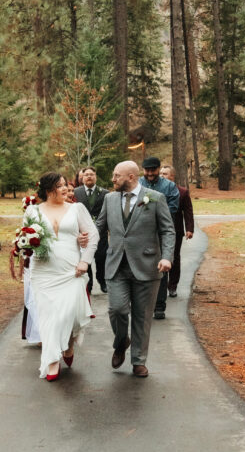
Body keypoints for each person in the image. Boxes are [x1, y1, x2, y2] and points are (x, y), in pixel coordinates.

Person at [95, 160, 174, 378]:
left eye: (116, 175)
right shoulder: (110, 199)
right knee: (117, 309)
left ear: (131, 177)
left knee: (142, 316)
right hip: (116, 264)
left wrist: (167, 257)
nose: (112, 179)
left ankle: (138, 360)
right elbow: (99, 228)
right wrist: (80, 240)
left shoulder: (155, 198)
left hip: (147, 265)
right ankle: (121, 342)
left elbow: (168, 230)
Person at [29, 172, 99, 382]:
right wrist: (25, 245)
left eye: (65, 185)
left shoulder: (76, 209)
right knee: (49, 316)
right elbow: (27, 236)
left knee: (68, 314)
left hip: (71, 270)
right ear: (49, 189)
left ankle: (68, 343)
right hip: (43, 271)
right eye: (60, 186)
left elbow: (93, 235)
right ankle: (51, 361)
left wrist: (85, 260)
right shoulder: (33, 211)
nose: (66, 189)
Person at [140, 156, 179, 320]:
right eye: (147, 170)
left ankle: (159, 306)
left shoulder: (169, 186)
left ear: (158, 169)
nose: (150, 173)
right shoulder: (139, 184)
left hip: (161, 232)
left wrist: (153, 213)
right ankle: (143, 305)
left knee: (160, 269)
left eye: (153, 170)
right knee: (141, 269)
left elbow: (173, 208)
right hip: (141, 233)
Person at [159, 163, 195, 299]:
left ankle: (172, 286)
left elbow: (188, 212)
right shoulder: (156, 191)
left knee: (174, 257)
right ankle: (159, 285)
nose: (162, 176)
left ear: (172, 176)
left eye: (165, 174)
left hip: (175, 230)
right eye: (161, 173)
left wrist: (189, 229)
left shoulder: (182, 192)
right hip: (157, 231)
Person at [74, 165, 107, 293]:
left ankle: (102, 281)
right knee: (85, 258)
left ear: (95, 177)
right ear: (82, 178)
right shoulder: (76, 192)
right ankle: (89, 284)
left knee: (101, 258)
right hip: (83, 233)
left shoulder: (105, 193)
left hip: (101, 232)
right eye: (86, 174)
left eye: (91, 174)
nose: (89, 176)